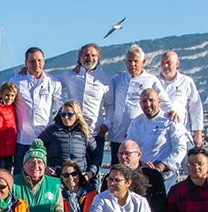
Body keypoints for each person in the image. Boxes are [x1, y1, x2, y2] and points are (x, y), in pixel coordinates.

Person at [104, 45, 173, 164]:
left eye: (136, 61)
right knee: (117, 168)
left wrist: (172, 112)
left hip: (137, 135)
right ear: (125, 62)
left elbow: (164, 102)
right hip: (117, 134)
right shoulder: (117, 79)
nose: (132, 65)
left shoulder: (151, 80)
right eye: (129, 61)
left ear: (143, 62)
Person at [59, 43, 111, 172]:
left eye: (93, 55)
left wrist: (107, 124)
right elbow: (49, 82)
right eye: (86, 55)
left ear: (98, 57)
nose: (89, 58)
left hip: (96, 132)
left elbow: (110, 105)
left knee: (95, 171)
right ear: (80, 58)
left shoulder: (104, 78)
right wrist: (28, 72)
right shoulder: (70, 76)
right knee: (74, 170)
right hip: (74, 132)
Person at [127, 88, 190, 181]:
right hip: (141, 170)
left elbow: (180, 148)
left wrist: (161, 166)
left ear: (159, 102)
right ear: (140, 104)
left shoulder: (170, 120)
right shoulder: (135, 123)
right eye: (144, 101)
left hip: (165, 171)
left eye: (151, 100)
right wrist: (140, 164)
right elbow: (129, 148)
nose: (148, 104)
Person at [38, 100, 97, 183]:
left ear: (77, 115)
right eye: (63, 115)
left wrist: (90, 173)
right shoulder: (52, 131)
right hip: (56, 177)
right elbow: (36, 148)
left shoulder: (84, 133)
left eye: (69, 114)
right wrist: (44, 167)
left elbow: (96, 155)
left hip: (78, 178)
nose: (66, 118)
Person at [11, 139, 62, 212]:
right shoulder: (13, 184)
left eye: (40, 162)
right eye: (31, 162)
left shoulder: (53, 185)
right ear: (24, 165)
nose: (36, 166)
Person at [159, 51, 205, 147]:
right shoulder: (153, 81)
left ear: (177, 63)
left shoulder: (186, 82)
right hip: (158, 134)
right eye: (163, 63)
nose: (165, 66)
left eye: (168, 63)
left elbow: (196, 108)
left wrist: (198, 133)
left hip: (182, 133)